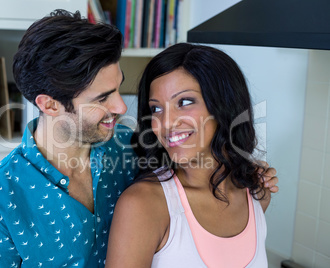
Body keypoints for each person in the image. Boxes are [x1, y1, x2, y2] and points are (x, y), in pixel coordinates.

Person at [0, 10, 278, 268]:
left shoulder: (133, 146)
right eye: (102, 98)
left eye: (119, 87)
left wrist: (247, 171)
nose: (122, 107)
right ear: (49, 105)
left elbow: (198, 175)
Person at [106, 43, 275, 268]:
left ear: (224, 105)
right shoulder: (143, 205)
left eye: (184, 102)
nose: (166, 123)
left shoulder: (257, 192)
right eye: (156, 109)